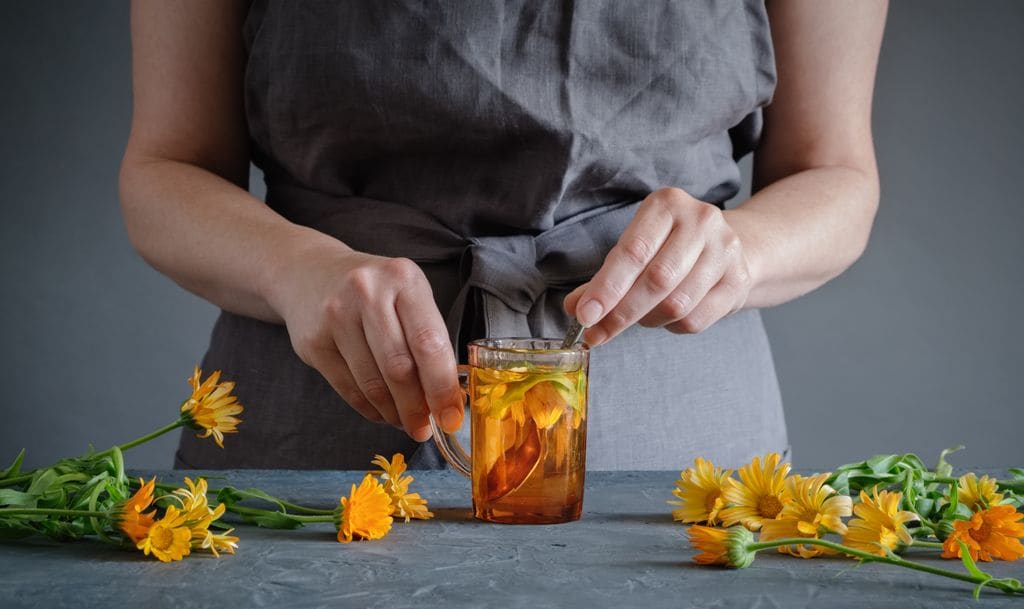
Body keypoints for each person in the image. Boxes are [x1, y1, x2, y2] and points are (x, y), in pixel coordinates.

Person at [119, 1, 887, 470]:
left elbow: (836, 174)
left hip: (673, 448)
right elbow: (166, 168)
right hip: (314, 431)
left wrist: (740, 251)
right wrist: (294, 268)